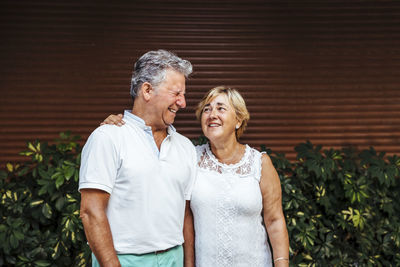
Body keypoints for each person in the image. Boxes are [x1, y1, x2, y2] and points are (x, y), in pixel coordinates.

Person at [104, 86, 289, 267]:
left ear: (239, 119)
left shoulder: (260, 163)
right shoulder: (190, 156)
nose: (212, 114)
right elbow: (184, 216)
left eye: (221, 108)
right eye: (206, 110)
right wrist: (124, 125)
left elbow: (274, 220)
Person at [79, 49, 197, 267]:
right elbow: (90, 212)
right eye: (176, 93)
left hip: (174, 257)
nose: (183, 103)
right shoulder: (108, 137)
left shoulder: (186, 147)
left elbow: (185, 215)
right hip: (122, 260)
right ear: (147, 90)